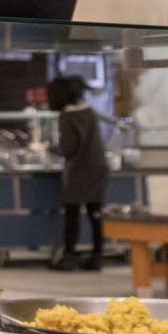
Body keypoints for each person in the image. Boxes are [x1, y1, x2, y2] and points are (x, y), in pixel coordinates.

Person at [49, 76, 107, 272]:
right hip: (98, 168)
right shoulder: (90, 113)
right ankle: (97, 254)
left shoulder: (67, 117)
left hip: (79, 170)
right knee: (95, 213)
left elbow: (69, 148)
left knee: (72, 214)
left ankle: (70, 255)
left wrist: (51, 149)